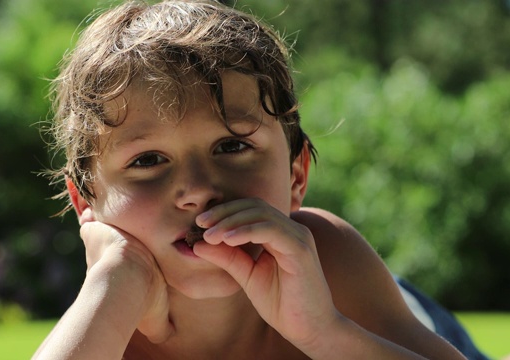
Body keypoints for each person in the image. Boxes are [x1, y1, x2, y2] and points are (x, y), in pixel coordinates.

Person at [34, 0, 469, 358]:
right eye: (148, 160)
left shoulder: (325, 258)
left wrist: (324, 333)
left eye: (232, 146)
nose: (199, 190)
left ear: (297, 176)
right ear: (85, 201)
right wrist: (115, 282)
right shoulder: (106, 329)